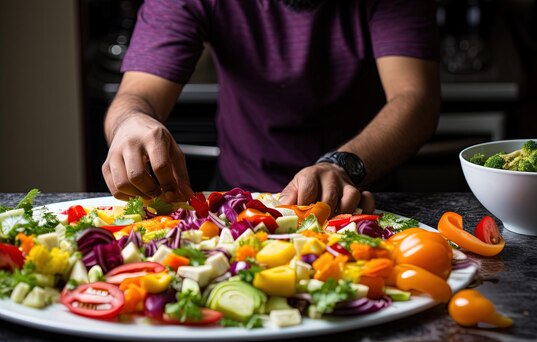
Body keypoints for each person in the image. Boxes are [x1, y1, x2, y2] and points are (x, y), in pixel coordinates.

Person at [101, 0, 441, 215]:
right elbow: (137, 95)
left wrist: (341, 165)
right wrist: (131, 120)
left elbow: (415, 98)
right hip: (237, 197)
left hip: (362, 192)